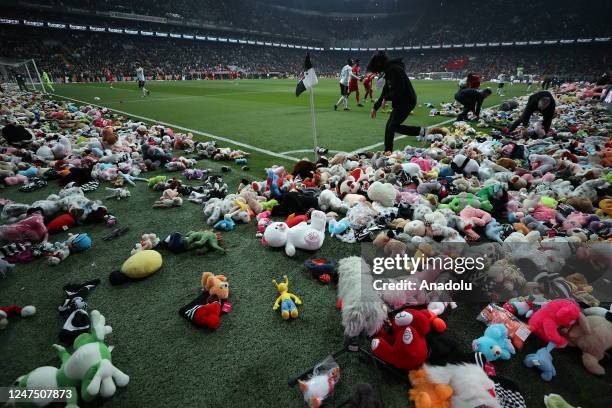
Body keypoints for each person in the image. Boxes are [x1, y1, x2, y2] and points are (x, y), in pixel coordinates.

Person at [367, 51, 427, 153]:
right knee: (389, 127)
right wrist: (375, 107)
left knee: (393, 126)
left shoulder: (394, 70)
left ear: (379, 64)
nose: (376, 72)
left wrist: (386, 98)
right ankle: (388, 152)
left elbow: (399, 89)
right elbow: (385, 91)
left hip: (407, 101)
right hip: (401, 102)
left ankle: (422, 131)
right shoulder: (389, 71)